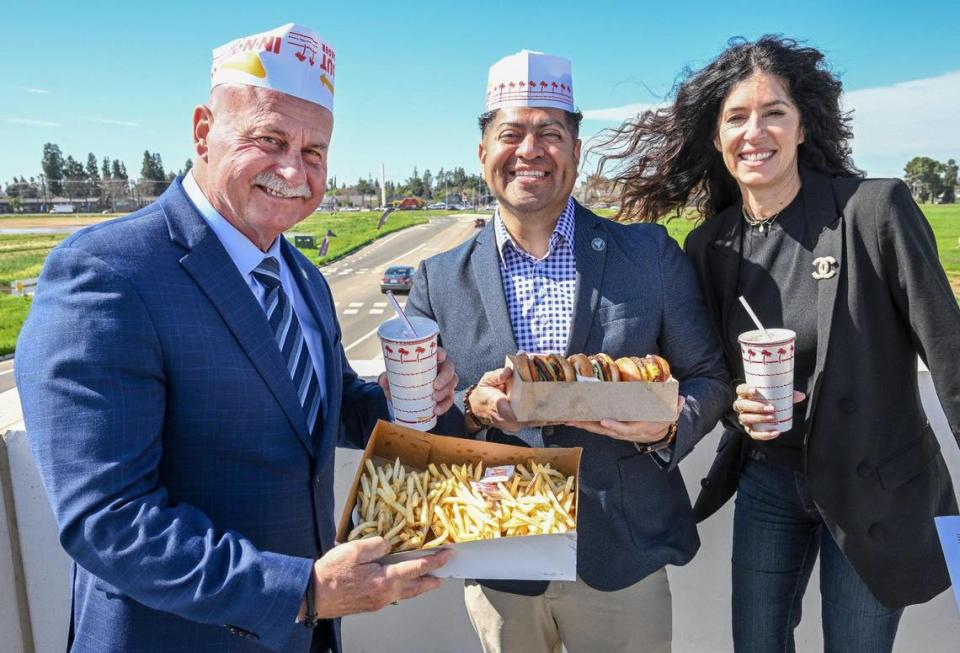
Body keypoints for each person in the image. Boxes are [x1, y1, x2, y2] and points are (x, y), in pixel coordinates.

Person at [15, 23, 457, 653]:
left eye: (314, 152)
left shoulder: (301, 275)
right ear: (203, 130)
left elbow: (316, 410)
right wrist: (301, 591)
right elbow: (108, 521)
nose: (292, 170)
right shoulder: (107, 274)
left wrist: (402, 402)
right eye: (269, 139)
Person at [597, 35, 960, 652]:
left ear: (802, 126)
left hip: (874, 485)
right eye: (736, 117)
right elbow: (707, 371)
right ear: (716, 138)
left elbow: (951, 359)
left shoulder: (874, 211)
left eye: (774, 113)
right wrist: (736, 407)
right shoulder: (711, 247)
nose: (754, 131)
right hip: (769, 481)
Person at [406, 50, 730, 653]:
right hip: (501, 554)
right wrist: (473, 409)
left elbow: (708, 377)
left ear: (576, 152)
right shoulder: (437, 280)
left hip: (621, 557)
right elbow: (419, 416)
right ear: (482, 153)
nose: (530, 149)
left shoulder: (649, 255)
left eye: (550, 133)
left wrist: (660, 430)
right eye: (511, 133)